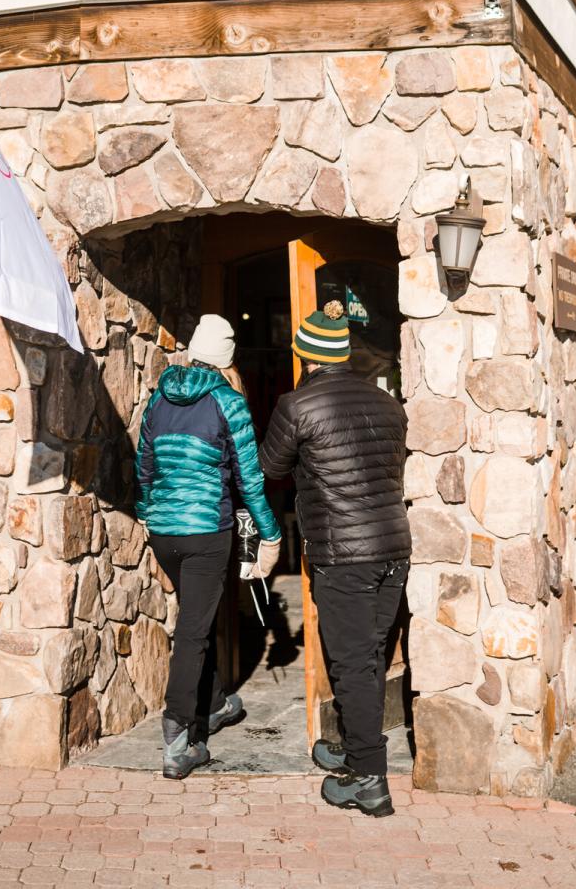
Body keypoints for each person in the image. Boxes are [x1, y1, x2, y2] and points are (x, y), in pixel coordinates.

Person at [259, 299, 410, 816]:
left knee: (349, 663)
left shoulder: (296, 406)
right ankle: (352, 746)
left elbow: (270, 466)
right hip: (393, 548)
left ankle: (369, 779)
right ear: (344, 354)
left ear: (304, 354)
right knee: (368, 657)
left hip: (343, 554)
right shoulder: (388, 404)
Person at [136, 313, 281, 780]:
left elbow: (144, 464)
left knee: (199, 615)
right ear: (226, 358)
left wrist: (145, 511)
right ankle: (179, 739)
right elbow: (250, 478)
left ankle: (215, 702)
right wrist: (271, 534)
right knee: (194, 631)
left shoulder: (159, 397)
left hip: (164, 532)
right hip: (204, 532)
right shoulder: (228, 402)